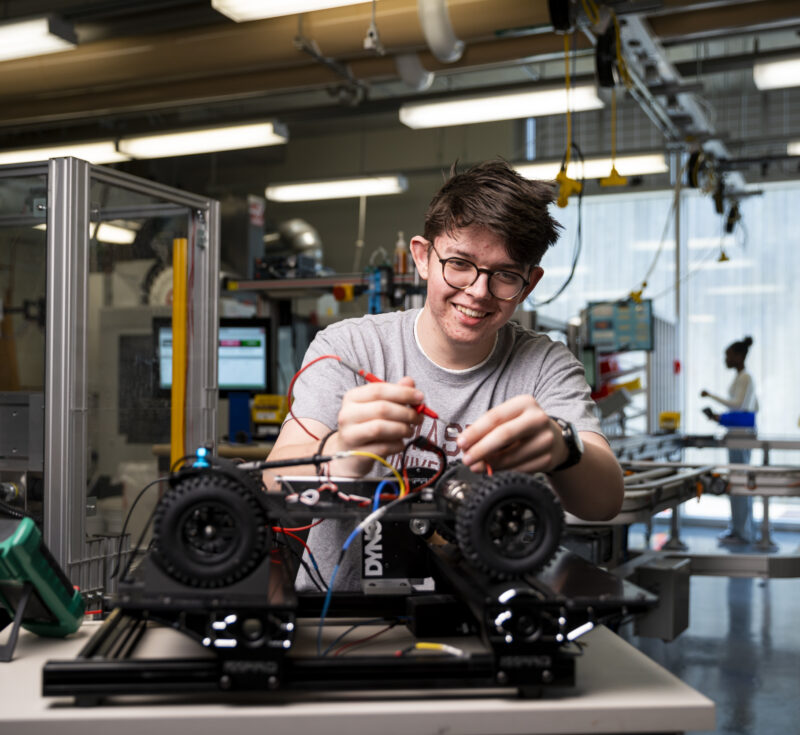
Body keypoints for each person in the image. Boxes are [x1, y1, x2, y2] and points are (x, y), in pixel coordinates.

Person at [265, 159, 624, 590]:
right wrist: (343, 452)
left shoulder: (545, 364)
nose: (477, 291)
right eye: (459, 264)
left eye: (505, 275)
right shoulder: (349, 348)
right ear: (423, 257)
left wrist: (565, 448)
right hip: (339, 616)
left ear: (529, 283)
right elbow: (274, 485)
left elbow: (604, 502)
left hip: (482, 622)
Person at [701, 336, 758, 545]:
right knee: (739, 480)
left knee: (740, 482)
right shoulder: (742, 378)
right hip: (740, 432)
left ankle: (742, 532)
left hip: (741, 435)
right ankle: (742, 528)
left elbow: (737, 405)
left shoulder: (745, 377)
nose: (726, 359)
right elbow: (750, 406)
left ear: (739, 356)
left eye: (729, 356)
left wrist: (710, 397)